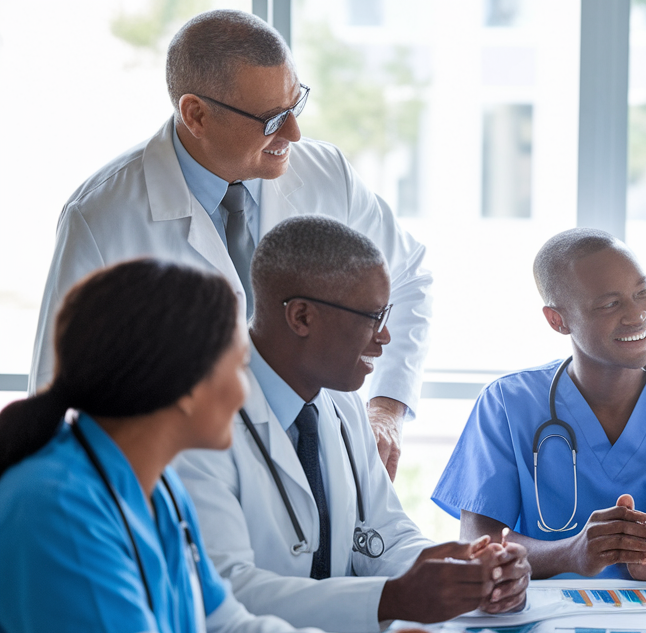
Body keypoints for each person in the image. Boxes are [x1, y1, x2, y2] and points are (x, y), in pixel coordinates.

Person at [0, 260, 493, 633]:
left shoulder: (156, 489)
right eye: (237, 370)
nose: (245, 393)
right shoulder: (56, 506)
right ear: (185, 386)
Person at [29, 9, 429, 478]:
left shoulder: (328, 175)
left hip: (322, 462)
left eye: (295, 105)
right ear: (195, 114)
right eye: (272, 118)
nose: (294, 133)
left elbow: (406, 279)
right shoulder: (102, 216)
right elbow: (60, 391)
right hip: (181, 480)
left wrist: (387, 407)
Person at [174, 216, 530, 633]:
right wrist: (392, 598)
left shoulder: (342, 404)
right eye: (373, 317)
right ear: (302, 317)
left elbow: (386, 535)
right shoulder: (198, 422)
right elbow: (226, 591)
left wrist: (466, 569)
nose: (385, 338)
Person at [433, 228, 646, 581]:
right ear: (558, 320)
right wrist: (570, 554)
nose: (637, 315)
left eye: (642, 292)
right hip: (547, 621)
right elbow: (479, 544)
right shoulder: (507, 405)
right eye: (609, 304)